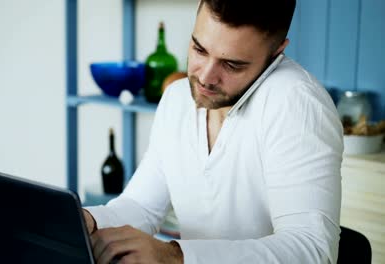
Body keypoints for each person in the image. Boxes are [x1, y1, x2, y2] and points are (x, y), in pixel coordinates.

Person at [83, 0, 343, 263]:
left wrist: (174, 256)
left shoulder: (297, 104)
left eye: (231, 65)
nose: (205, 77)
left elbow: (313, 250)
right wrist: (88, 221)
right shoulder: (176, 98)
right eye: (199, 49)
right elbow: (141, 206)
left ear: (276, 52)